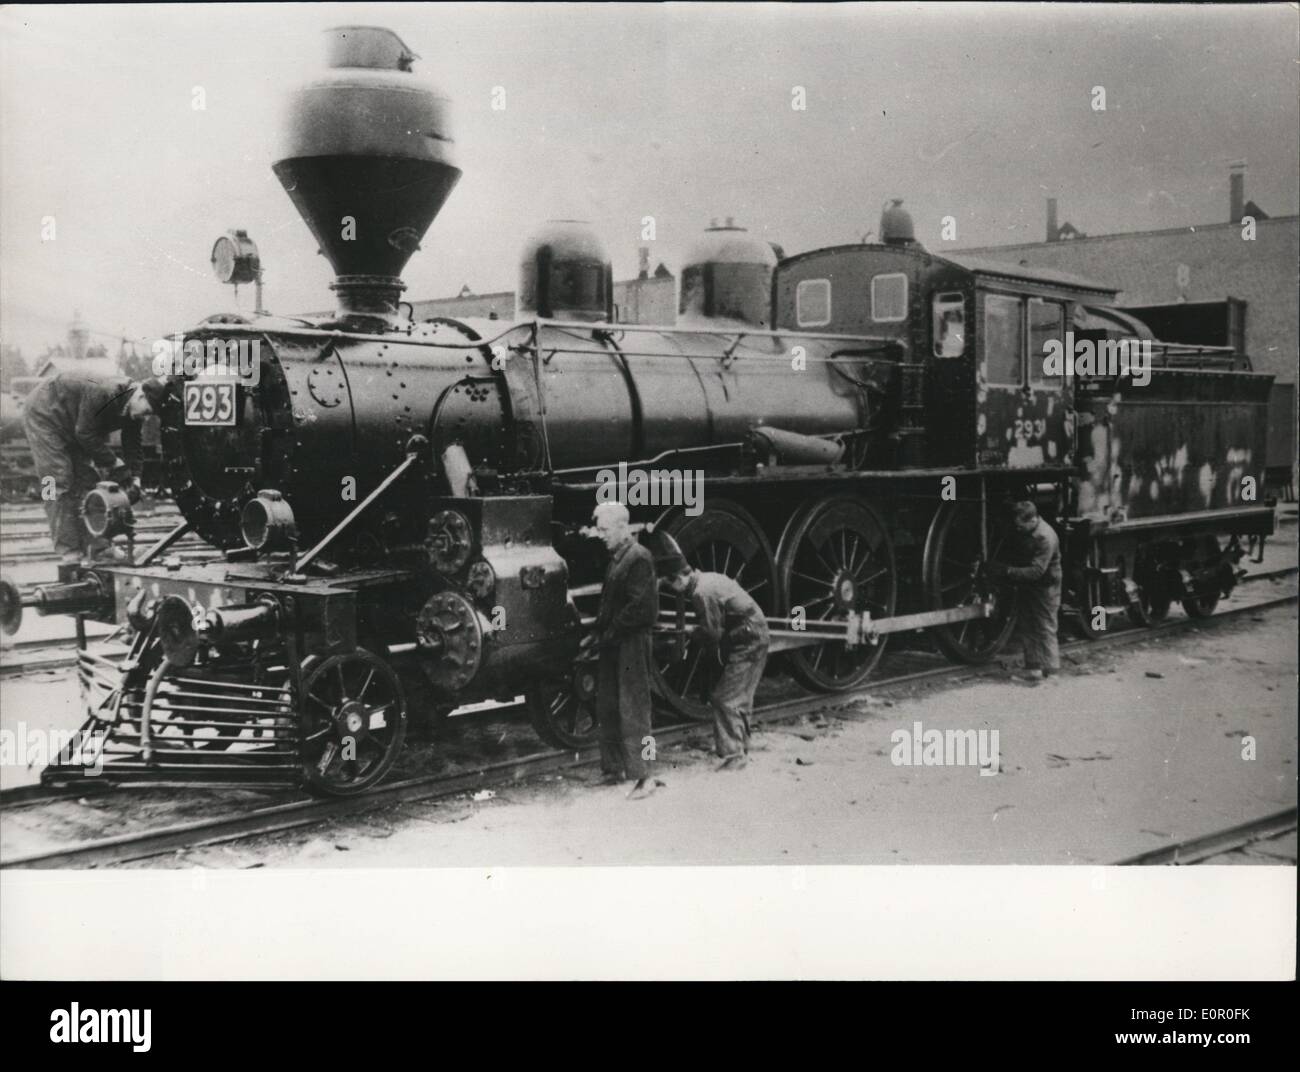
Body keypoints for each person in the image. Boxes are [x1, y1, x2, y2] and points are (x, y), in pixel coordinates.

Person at [21, 370, 166, 563]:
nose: (146, 418)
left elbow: (133, 445)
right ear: (140, 396)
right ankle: (68, 550)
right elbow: (85, 434)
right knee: (56, 483)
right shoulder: (104, 393)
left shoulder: (133, 407)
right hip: (43, 414)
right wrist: (114, 463)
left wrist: (136, 478)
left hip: (72, 424)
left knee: (90, 481)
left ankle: (99, 548)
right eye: (147, 412)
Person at [660, 553, 770, 770]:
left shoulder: (702, 593)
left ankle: (734, 756)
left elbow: (712, 633)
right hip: (751, 634)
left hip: (748, 640)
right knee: (740, 697)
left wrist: (691, 633)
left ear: (678, 579)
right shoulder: (706, 579)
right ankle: (741, 747)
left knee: (725, 698)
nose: (672, 591)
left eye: (670, 585)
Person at [588, 501, 658, 798]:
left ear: (621, 527)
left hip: (630, 641)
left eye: (604, 530)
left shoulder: (639, 558)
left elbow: (641, 609)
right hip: (614, 641)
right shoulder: (617, 557)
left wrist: (610, 632)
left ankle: (645, 777)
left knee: (634, 708)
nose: (600, 535)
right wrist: (598, 634)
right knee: (608, 704)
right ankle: (613, 768)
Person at [987, 500, 1062, 683]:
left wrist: (1006, 571)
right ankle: (1034, 670)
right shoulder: (1028, 530)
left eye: (1020, 525)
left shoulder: (1045, 537)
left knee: (1045, 626)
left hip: (1046, 586)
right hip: (1030, 585)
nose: (1018, 529)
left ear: (1032, 520)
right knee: (1028, 626)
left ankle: (1052, 674)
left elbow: (1037, 571)